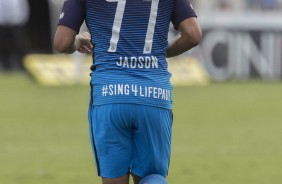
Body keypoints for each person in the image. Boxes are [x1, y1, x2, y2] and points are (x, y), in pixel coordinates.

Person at [54, 0, 202, 184]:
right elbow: (193, 35)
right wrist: (160, 53)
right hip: (154, 94)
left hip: (110, 94)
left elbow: (62, 43)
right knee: (152, 177)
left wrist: (79, 41)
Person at [0, 0, 30, 70]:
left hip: (16, 24)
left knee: (20, 45)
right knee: (3, 45)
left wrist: (22, 20)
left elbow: (24, 9)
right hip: (2, 25)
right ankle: (5, 64)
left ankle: (22, 64)